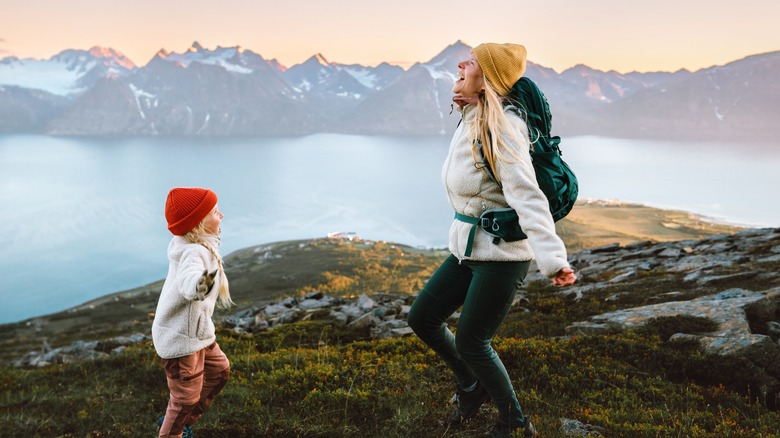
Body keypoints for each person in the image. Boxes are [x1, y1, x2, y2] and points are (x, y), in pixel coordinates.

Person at [407, 43, 577, 438]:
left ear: (488, 80)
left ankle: (516, 422)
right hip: (468, 248)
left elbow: (529, 199)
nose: (461, 65)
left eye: (471, 63)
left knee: (472, 340)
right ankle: (470, 386)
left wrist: (552, 259)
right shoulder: (472, 116)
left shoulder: (504, 128)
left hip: (502, 255)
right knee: (423, 319)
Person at [152, 187, 234, 438]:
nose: (221, 215)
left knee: (219, 372)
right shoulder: (192, 251)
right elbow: (190, 284)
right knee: (184, 398)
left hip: (198, 333)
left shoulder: (198, 243)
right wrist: (204, 281)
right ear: (198, 223)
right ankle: (174, 429)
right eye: (214, 212)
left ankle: (180, 421)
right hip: (180, 339)